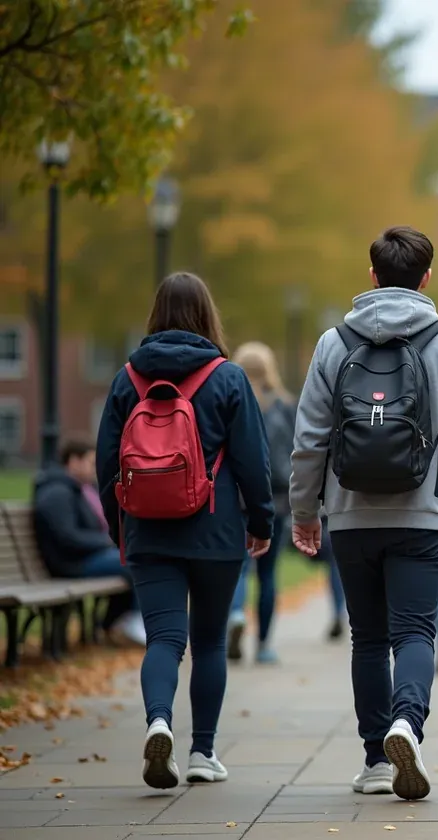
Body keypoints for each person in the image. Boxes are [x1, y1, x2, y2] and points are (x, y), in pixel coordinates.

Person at [290, 226, 438, 800]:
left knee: (369, 639)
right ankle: (409, 722)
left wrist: (306, 510)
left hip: (351, 514)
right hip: (423, 512)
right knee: (416, 631)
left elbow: (309, 438)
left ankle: (377, 758)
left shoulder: (334, 342)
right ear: (427, 278)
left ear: (371, 276)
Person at [95, 271, 274, 789]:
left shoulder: (128, 378)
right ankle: (203, 752)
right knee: (210, 641)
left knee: (165, 638)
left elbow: (108, 460)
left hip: (149, 532)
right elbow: (251, 462)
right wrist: (260, 524)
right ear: (207, 314)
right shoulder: (229, 377)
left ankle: (158, 722)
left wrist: (119, 526)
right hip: (216, 531)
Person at [33, 437, 143, 644]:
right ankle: (129, 622)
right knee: (134, 560)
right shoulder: (57, 492)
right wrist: (110, 542)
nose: (96, 468)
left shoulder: (79, 490)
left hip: (86, 557)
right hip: (70, 563)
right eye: (92, 462)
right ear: (73, 461)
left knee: (136, 556)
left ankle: (115, 622)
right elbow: (68, 537)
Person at [226, 342, 294, 665]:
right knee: (268, 573)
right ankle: (265, 644)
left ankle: (236, 613)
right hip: (277, 499)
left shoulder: (231, 399)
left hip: (235, 498)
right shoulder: (284, 405)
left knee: (238, 566)